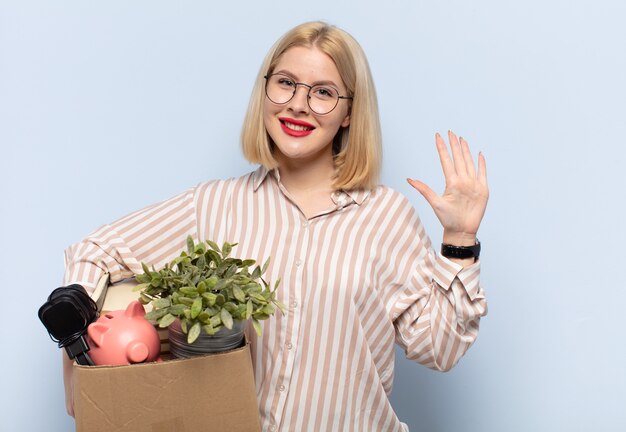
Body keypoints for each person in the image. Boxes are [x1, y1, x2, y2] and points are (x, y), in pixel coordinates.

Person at [62, 21, 489, 431]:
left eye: (323, 92)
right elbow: (93, 252)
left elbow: (441, 349)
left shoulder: (388, 216)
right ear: (265, 91)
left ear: (348, 114)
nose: (298, 104)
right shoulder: (215, 204)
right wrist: (75, 349)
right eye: (285, 83)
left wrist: (459, 240)